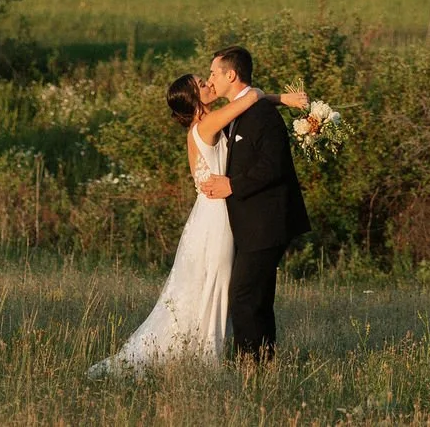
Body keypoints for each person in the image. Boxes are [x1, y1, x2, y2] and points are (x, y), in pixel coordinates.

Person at [88, 61, 307, 376]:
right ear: (194, 99)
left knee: (215, 287)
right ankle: (203, 358)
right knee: (213, 287)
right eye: (202, 83)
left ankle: (218, 354)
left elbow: (246, 98)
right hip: (215, 218)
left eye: (208, 78)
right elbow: (248, 97)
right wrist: (281, 98)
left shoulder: (211, 121)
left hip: (220, 212)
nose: (209, 84)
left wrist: (280, 99)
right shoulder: (205, 125)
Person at [197, 44, 312, 362]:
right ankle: (263, 360)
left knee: (244, 295)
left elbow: (272, 167)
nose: (211, 79)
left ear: (230, 74)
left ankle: (251, 363)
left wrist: (231, 185)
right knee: (256, 296)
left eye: (213, 73)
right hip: (248, 223)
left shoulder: (262, 115)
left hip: (267, 221)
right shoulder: (241, 110)